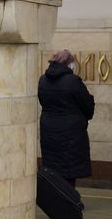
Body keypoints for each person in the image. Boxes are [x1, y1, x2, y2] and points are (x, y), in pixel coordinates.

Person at [38, 49, 95, 188]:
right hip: (71, 133)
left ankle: (57, 200)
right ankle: (69, 203)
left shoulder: (43, 80)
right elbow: (87, 106)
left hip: (48, 129)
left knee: (53, 167)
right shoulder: (73, 81)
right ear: (68, 63)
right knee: (69, 169)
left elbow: (43, 101)